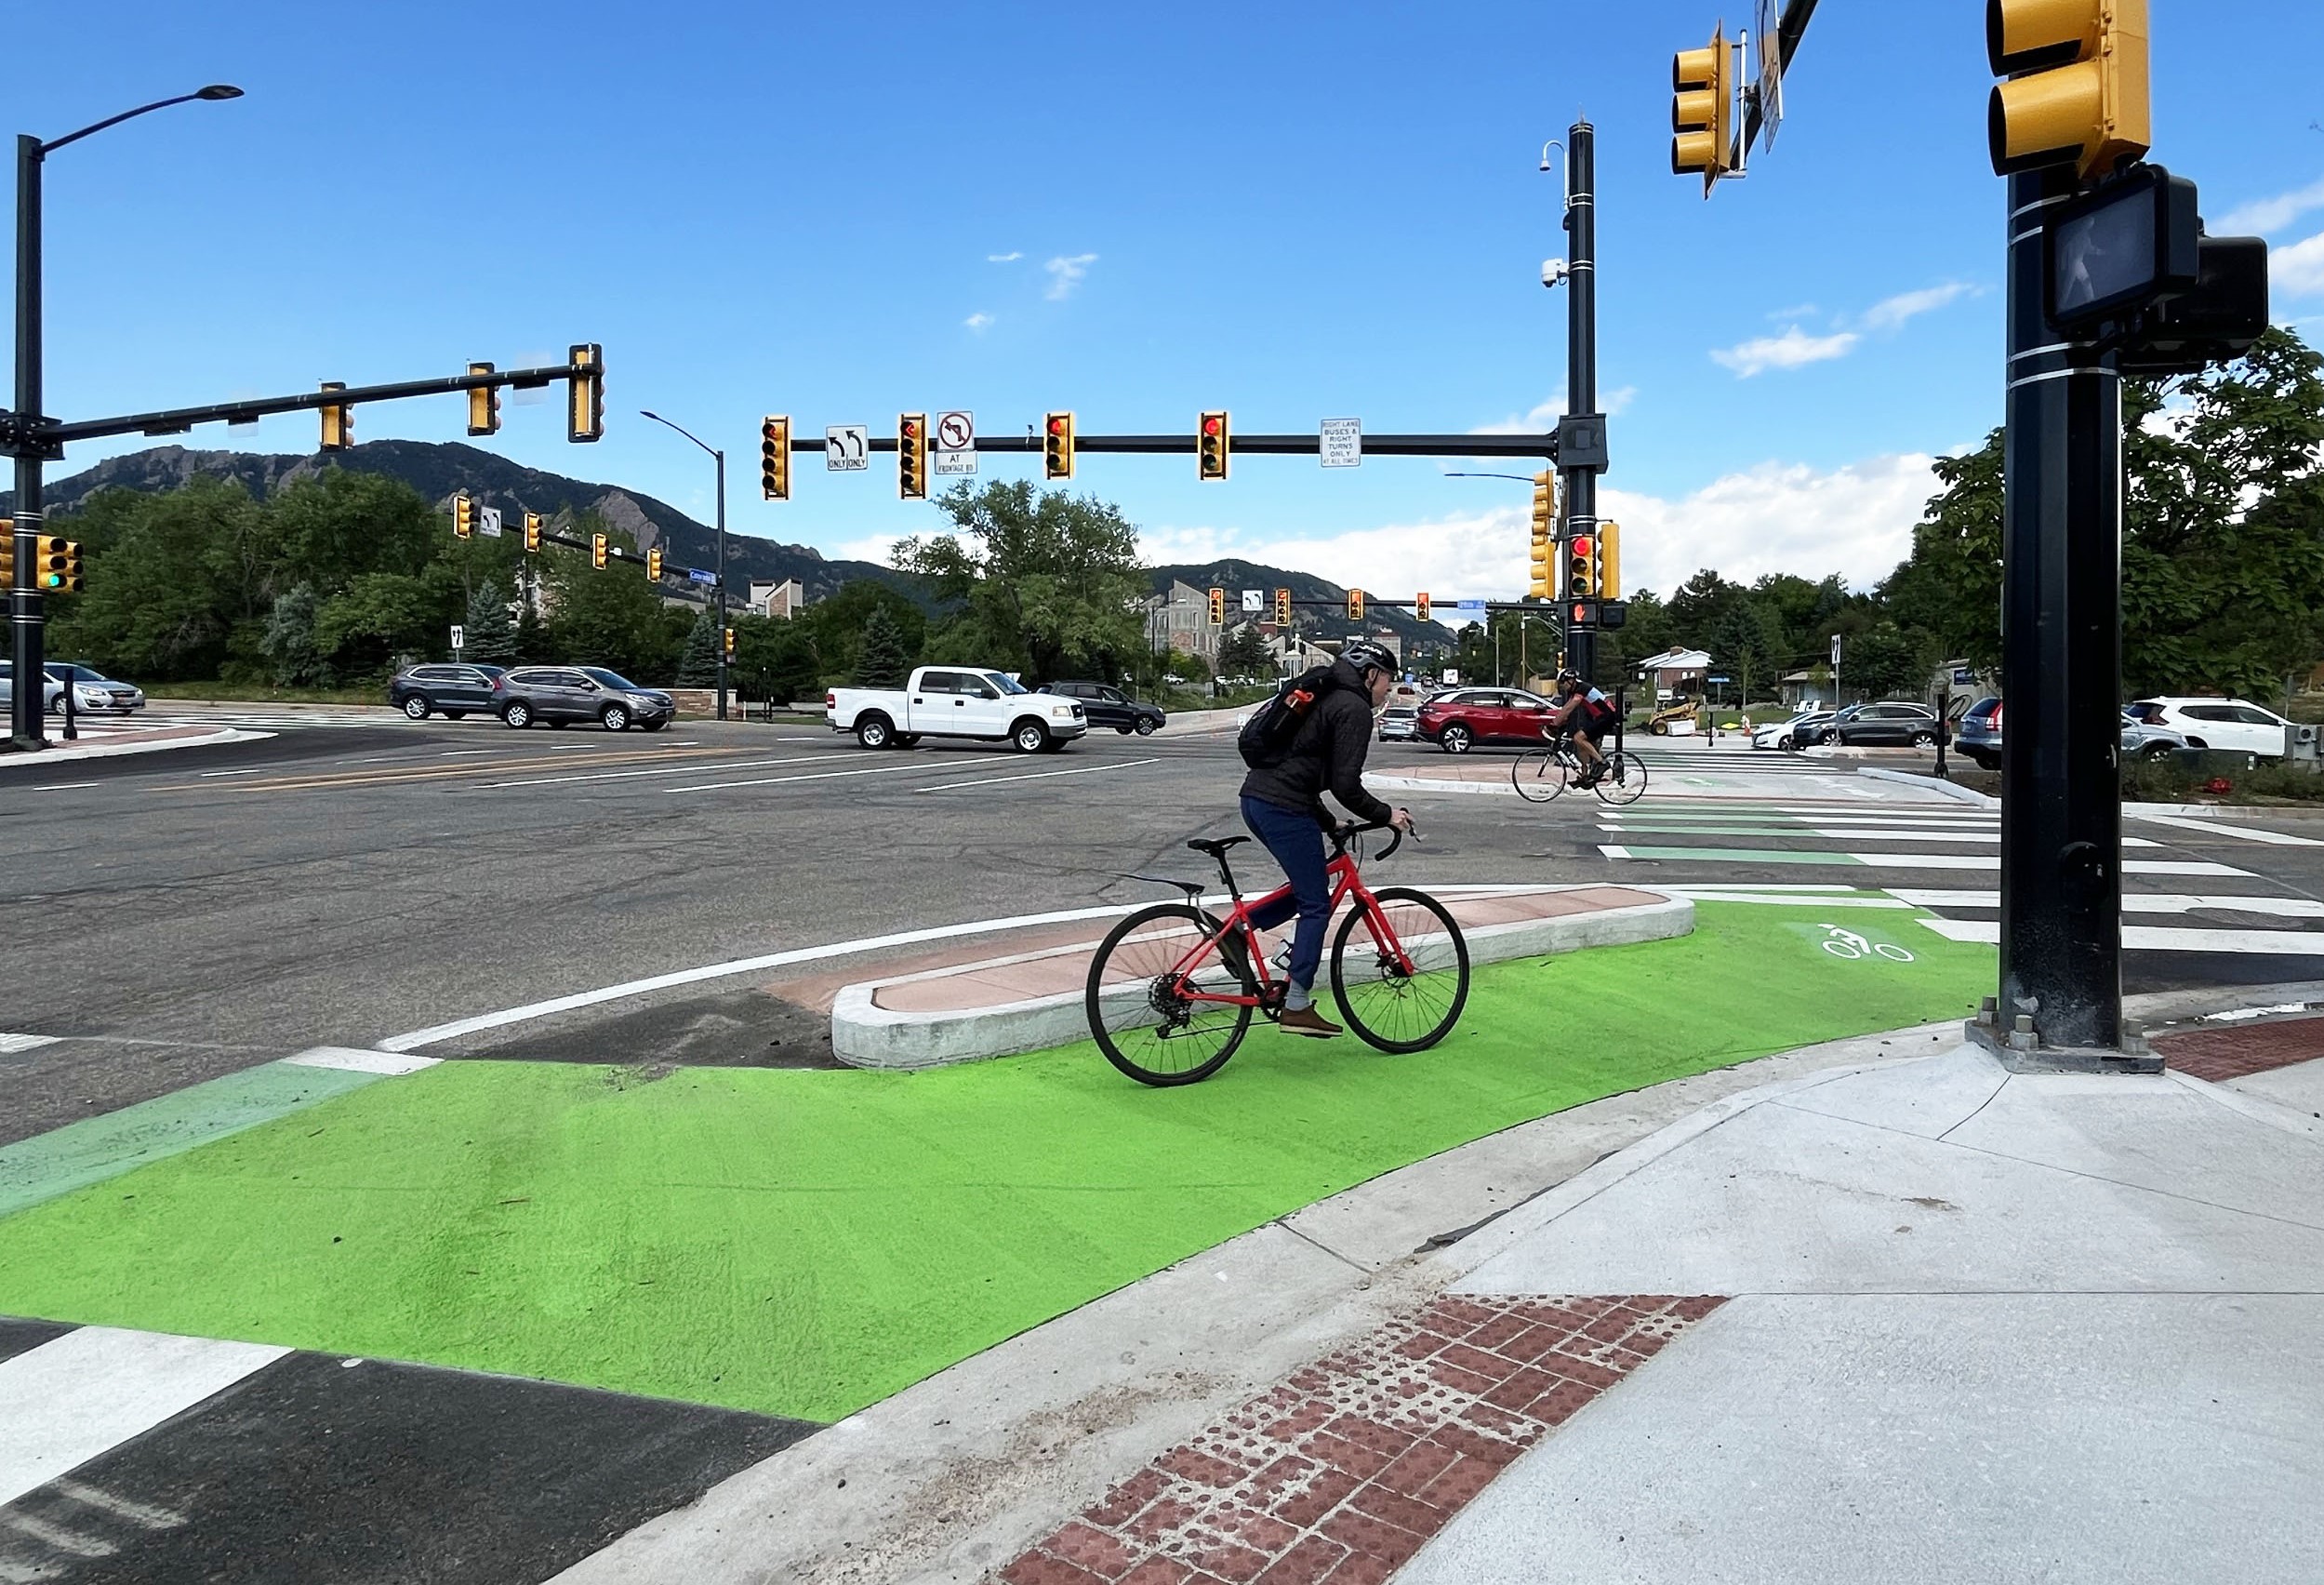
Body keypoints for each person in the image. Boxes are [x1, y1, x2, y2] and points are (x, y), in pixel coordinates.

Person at [1238, 641, 1414, 1038]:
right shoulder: (1352, 708)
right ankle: (1297, 1004)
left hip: (1258, 799)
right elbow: (1345, 785)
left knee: (1309, 884)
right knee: (1316, 905)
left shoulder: (1327, 696)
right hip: (1282, 806)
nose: (1389, 688)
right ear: (1371, 674)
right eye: (1388, 679)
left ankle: (1241, 929)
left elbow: (1303, 769)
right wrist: (1388, 814)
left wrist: (1329, 822)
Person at [1546, 670, 1614, 784]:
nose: (1562, 686)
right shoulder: (1576, 690)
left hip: (1607, 717)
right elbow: (1566, 707)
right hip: (1598, 717)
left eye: (1563, 683)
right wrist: (1559, 722)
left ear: (1571, 680)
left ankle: (1602, 763)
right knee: (1579, 742)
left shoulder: (1581, 689)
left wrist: (1553, 724)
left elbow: (1568, 708)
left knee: (1579, 738)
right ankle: (1585, 774)